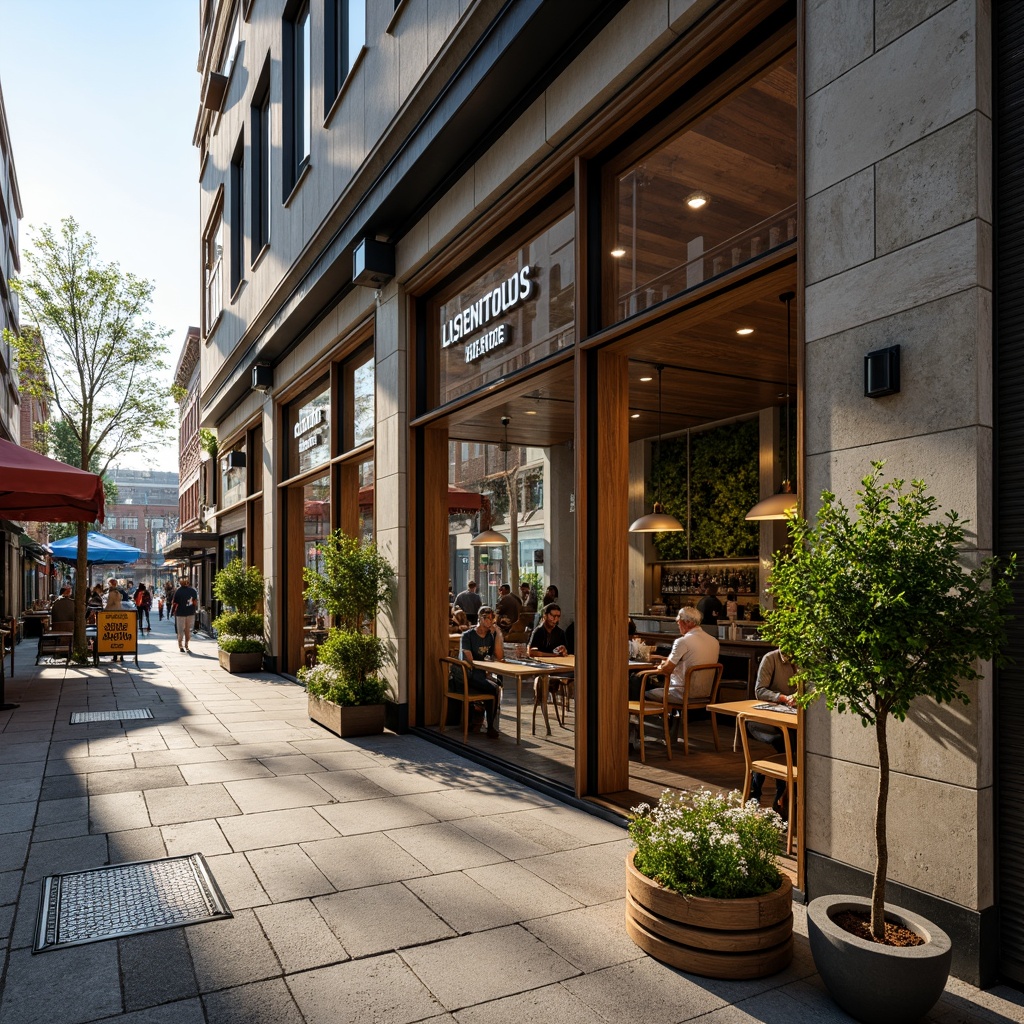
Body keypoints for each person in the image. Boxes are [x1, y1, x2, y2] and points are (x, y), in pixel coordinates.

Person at [748, 649, 798, 815]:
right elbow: (760, 690)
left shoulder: (804, 660)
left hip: (791, 719)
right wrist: (783, 697)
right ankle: (778, 798)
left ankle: (779, 798)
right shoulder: (771, 659)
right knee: (785, 745)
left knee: (795, 745)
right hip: (764, 720)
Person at [642, 605, 720, 703]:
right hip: (706, 693)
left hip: (681, 693)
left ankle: (657, 717)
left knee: (643, 690)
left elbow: (667, 670)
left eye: (678, 621)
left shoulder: (682, 641)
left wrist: (660, 666)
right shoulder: (714, 641)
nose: (678, 624)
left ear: (687, 622)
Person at [459, 606, 503, 737]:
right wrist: (486, 670)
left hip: (483, 673)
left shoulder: (490, 636)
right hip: (469, 674)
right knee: (493, 687)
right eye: (486, 618)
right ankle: (490, 726)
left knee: (497, 684)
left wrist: (498, 634)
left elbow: (499, 656)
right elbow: (469, 660)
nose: (489, 621)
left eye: (492, 618)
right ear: (480, 618)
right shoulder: (468, 636)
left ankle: (490, 724)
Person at [529, 603, 568, 731]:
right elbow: (532, 652)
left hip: (558, 667)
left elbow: (565, 651)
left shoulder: (560, 633)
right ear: (546, 616)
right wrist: (551, 655)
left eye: (558, 617)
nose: (555, 619)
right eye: (553, 616)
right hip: (542, 668)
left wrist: (563, 651)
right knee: (544, 682)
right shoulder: (539, 632)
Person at [171, 575, 199, 653]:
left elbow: (175, 603)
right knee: (188, 630)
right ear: (188, 583)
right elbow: (195, 602)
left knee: (180, 630)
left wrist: (173, 612)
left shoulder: (178, 591)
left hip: (180, 613)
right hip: (190, 613)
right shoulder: (193, 591)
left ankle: (180, 645)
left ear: (180, 583)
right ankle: (186, 644)